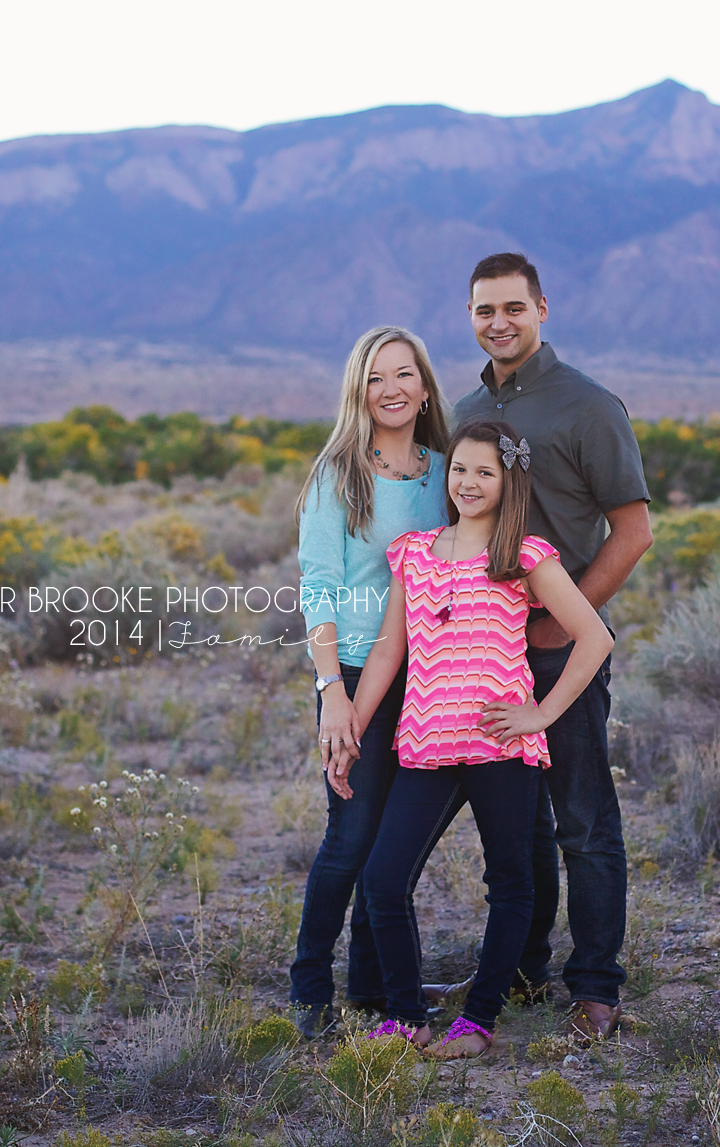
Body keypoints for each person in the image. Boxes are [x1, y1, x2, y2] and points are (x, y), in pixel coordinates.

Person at [331, 418, 615, 1057]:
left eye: (485, 471)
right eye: (460, 468)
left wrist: (540, 714)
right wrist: (350, 722)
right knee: (382, 878)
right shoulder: (414, 552)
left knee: (511, 882)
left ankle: (478, 1022)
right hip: (427, 743)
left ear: (507, 480)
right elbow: (386, 653)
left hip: (500, 748)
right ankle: (406, 1016)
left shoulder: (525, 555)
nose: (468, 482)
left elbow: (594, 637)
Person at [451, 252, 652, 1042]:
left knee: (582, 816)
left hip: (557, 646)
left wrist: (561, 622)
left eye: (512, 307)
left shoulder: (588, 405)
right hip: (483, 649)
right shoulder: (469, 408)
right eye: (483, 310)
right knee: (515, 819)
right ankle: (526, 968)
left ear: (542, 307)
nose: (498, 322)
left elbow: (633, 532)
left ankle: (596, 986)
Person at [286, 326, 450, 1038]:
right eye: (376, 377)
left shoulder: (448, 473)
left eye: (404, 374)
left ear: (424, 386)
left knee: (393, 844)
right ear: (360, 389)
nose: (391, 389)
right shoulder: (338, 475)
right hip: (353, 670)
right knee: (351, 836)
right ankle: (309, 987)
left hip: (430, 675)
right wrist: (332, 693)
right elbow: (317, 588)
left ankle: (371, 983)